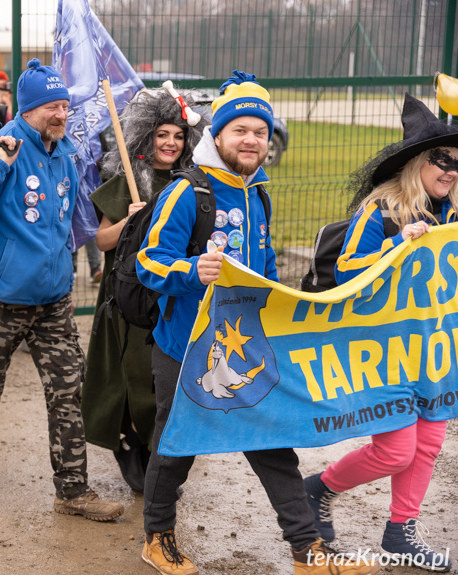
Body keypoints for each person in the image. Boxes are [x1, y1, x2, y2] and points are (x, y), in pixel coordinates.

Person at [135, 71, 377, 575]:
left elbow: (265, 272)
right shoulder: (188, 193)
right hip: (185, 351)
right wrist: (189, 270)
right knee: (175, 447)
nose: (252, 140)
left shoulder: (259, 195)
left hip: (244, 350)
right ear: (217, 136)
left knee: (272, 443)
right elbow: (149, 263)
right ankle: (157, 537)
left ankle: (305, 547)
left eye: (260, 132)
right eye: (240, 130)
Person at [0, 58, 124, 522]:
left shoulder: (64, 153)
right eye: (52, 107)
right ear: (30, 109)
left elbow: (70, 218)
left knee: (69, 392)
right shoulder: (1, 146)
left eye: (65, 105)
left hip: (53, 301)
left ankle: (73, 490)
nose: (61, 114)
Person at [304, 94, 458, 573]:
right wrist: (396, 244)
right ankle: (319, 489)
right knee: (396, 450)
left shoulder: (453, 215)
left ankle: (401, 531)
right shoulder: (383, 211)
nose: (452, 170)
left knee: (429, 442)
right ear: (417, 161)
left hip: (435, 348)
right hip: (383, 351)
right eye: (443, 159)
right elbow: (348, 271)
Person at [83, 88, 208, 493]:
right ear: (145, 136)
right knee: (133, 373)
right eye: (162, 135)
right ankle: (131, 444)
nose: (171, 143)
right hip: (129, 295)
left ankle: (161, 451)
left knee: (166, 376)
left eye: (178, 135)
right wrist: (130, 222)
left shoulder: (192, 184)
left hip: (172, 293)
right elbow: (101, 240)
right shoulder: (128, 180)